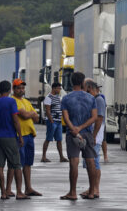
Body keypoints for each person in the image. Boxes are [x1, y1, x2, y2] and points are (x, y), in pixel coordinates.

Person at [59, 71, 98, 200]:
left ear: (71, 83)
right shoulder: (91, 98)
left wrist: (75, 130)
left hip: (72, 134)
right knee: (91, 161)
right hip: (87, 133)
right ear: (82, 83)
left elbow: (65, 117)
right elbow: (94, 117)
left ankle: (73, 192)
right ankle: (92, 191)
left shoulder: (66, 98)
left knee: (74, 163)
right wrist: (81, 128)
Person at [0, 80, 28, 200]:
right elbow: (15, 120)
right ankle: (19, 192)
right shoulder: (11, 101)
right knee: (16, 165)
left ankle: (3, 193)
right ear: (10, 89)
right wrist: (20, 136)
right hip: (10, 136)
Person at [10, 78, 42, 197]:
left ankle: (28, 188)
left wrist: (31, 114)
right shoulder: (13, 101)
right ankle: (18, 189)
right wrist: (31, 114)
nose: (21, 90)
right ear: (14, 89)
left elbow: (36, 118)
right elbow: (24, 115)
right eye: (18, 88)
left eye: (23, 88)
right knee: (18, 163)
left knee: (28, 163)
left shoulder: (26, 102)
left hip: (29, 135)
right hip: (20, 135)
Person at [81, 78, 105, 199]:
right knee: (90, 162)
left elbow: (99, 119)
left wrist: (94, 135)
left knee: (94, 162)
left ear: (90, 88)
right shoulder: (93, 100)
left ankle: (95, 189)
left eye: (85, 89)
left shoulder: (99, 100)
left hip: (95, 136)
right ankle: (92, 187)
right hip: (91, 135)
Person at [41, 82, 67, 163]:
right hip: (52, 121)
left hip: (58, 122)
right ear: (54, 88)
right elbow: (48, 111)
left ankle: (61, 157)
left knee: (59, 140)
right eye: (59, 88)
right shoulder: (48, 97)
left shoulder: (58, 97)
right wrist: (51, 121)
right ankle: (43, 156)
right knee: (48, 139)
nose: (60, 90)